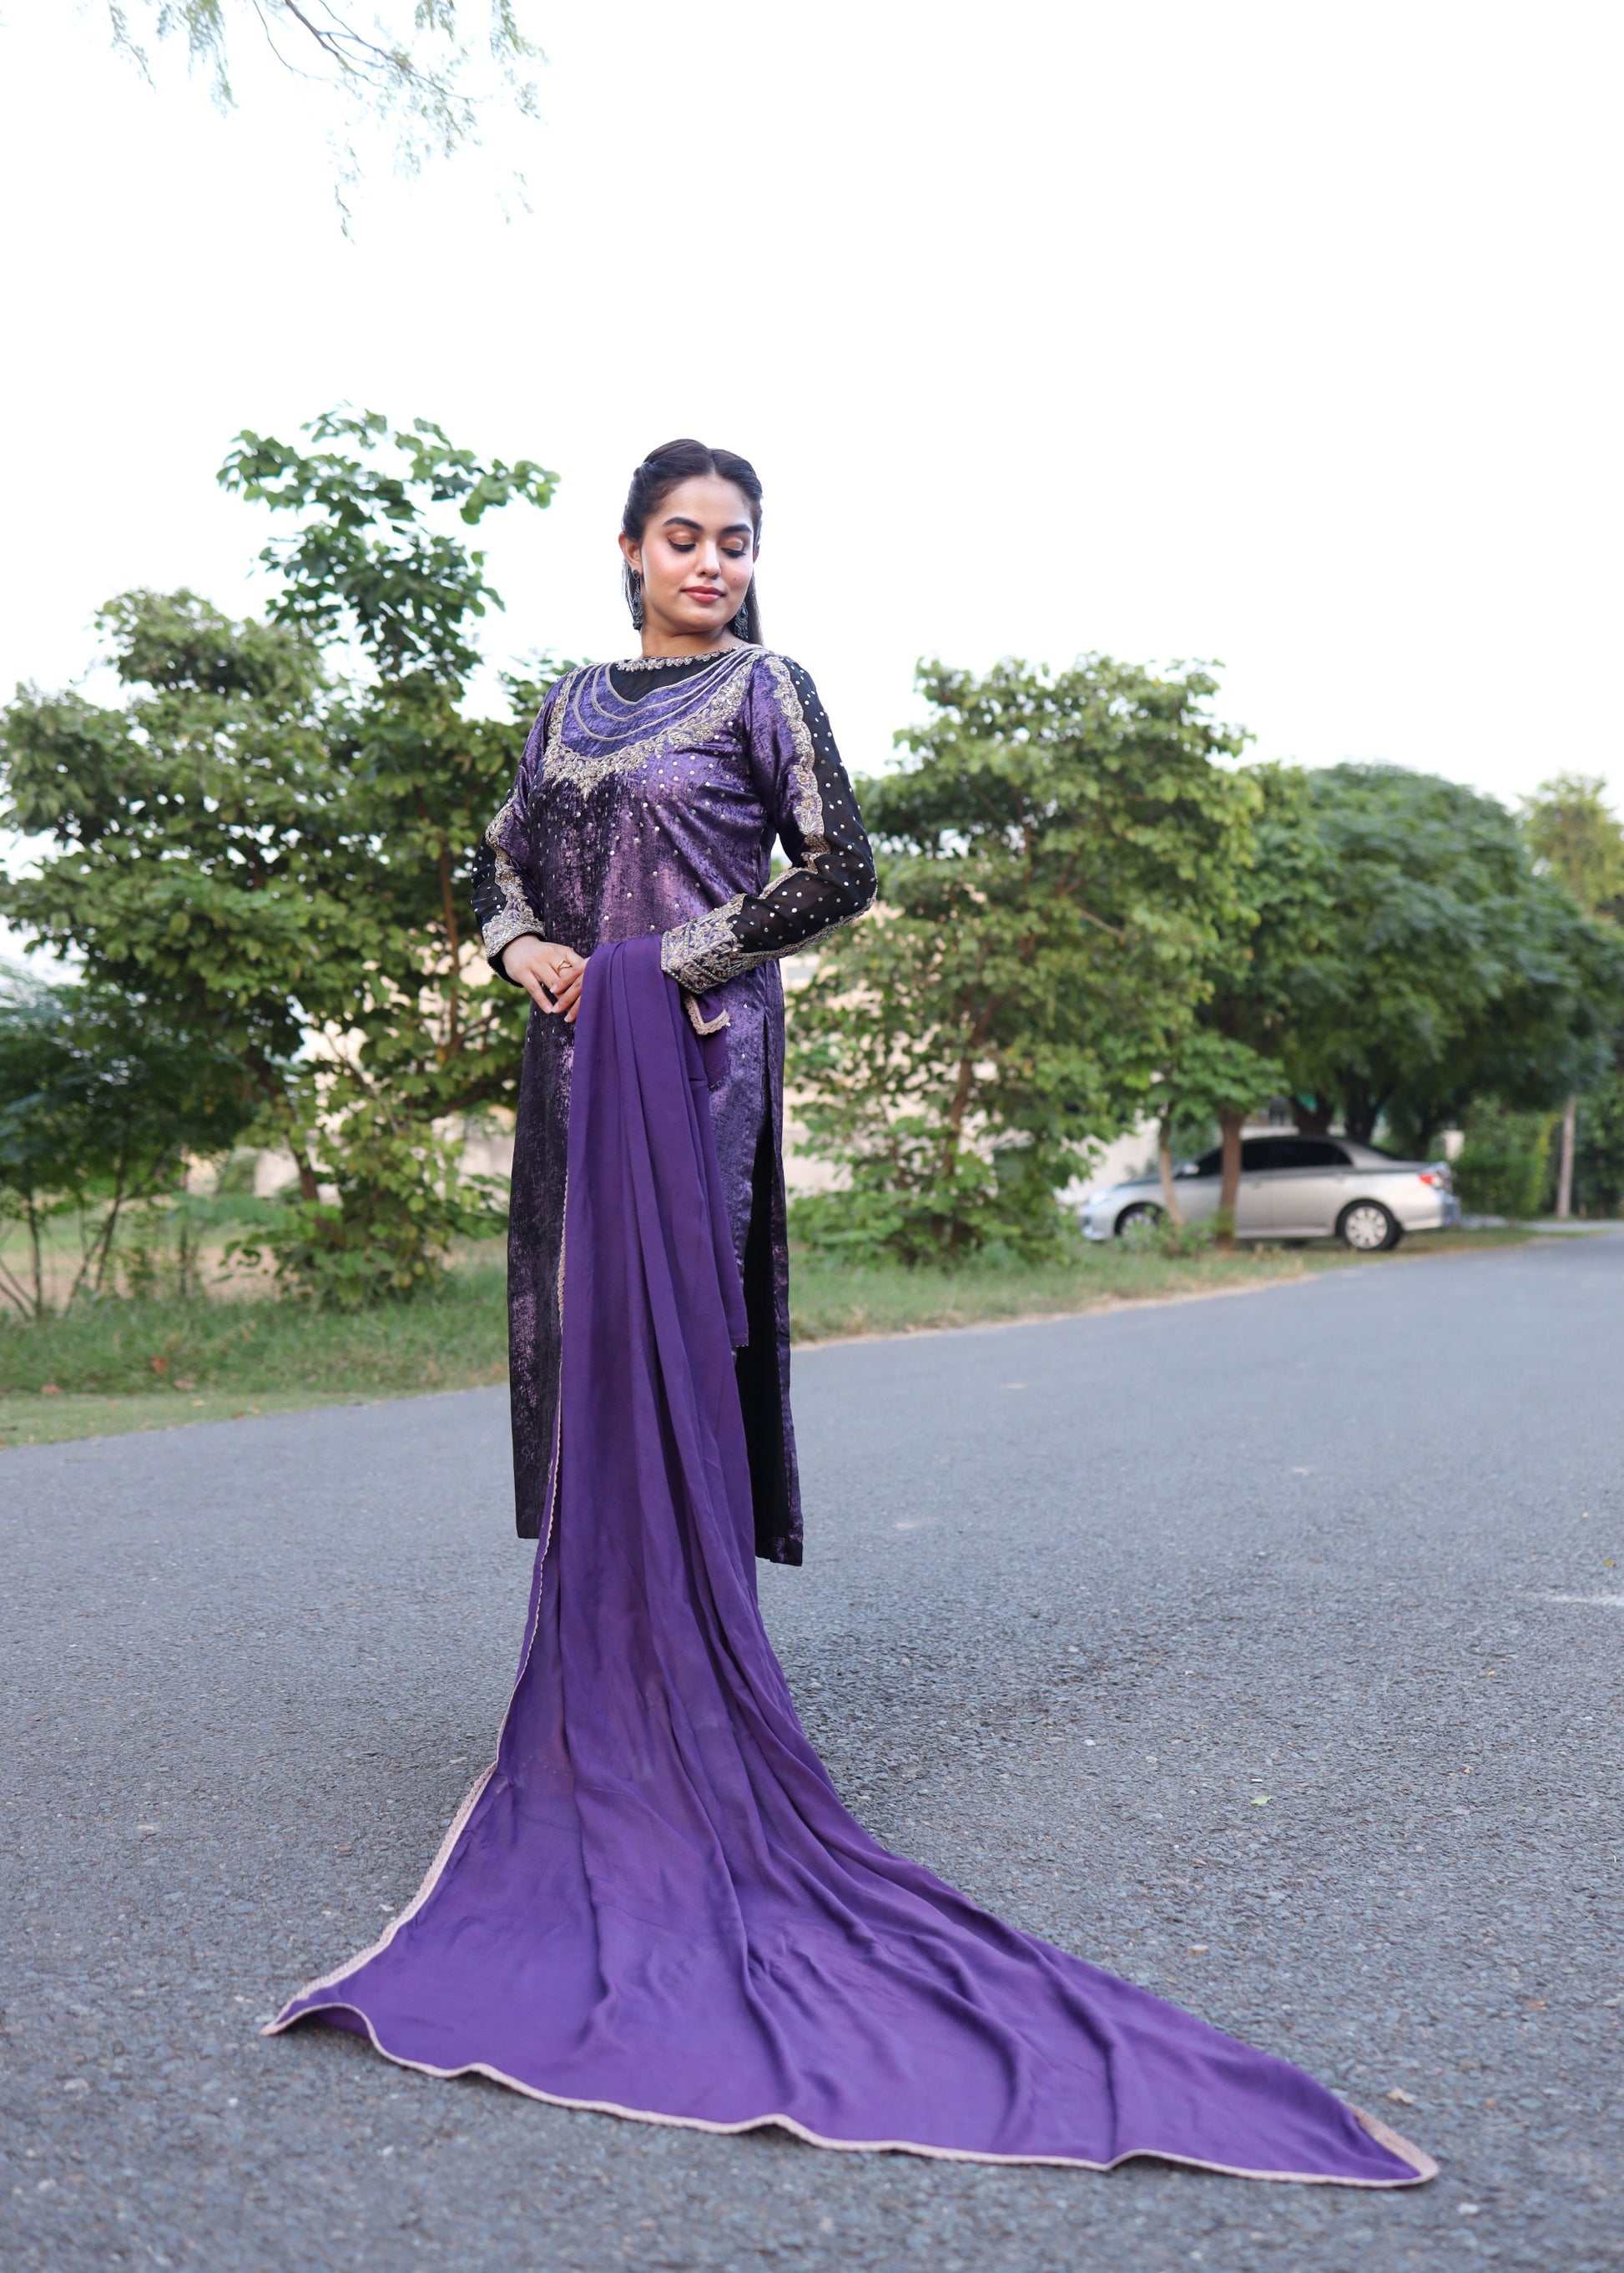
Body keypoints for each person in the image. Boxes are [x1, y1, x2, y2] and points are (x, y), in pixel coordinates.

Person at [265, 442, 1434, 2190]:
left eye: (737, 542)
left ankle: (686, 1673)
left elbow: (843, 870)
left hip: (701, 1055)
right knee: (581, 1346)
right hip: (578, 1061)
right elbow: (502, 863)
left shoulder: (765, 691)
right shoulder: (568, 706)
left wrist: (679, 957)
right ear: (628, 549)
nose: (714, 565)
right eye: (685, 539)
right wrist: (526, 953)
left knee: (684, 1351)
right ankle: (602, 1658)